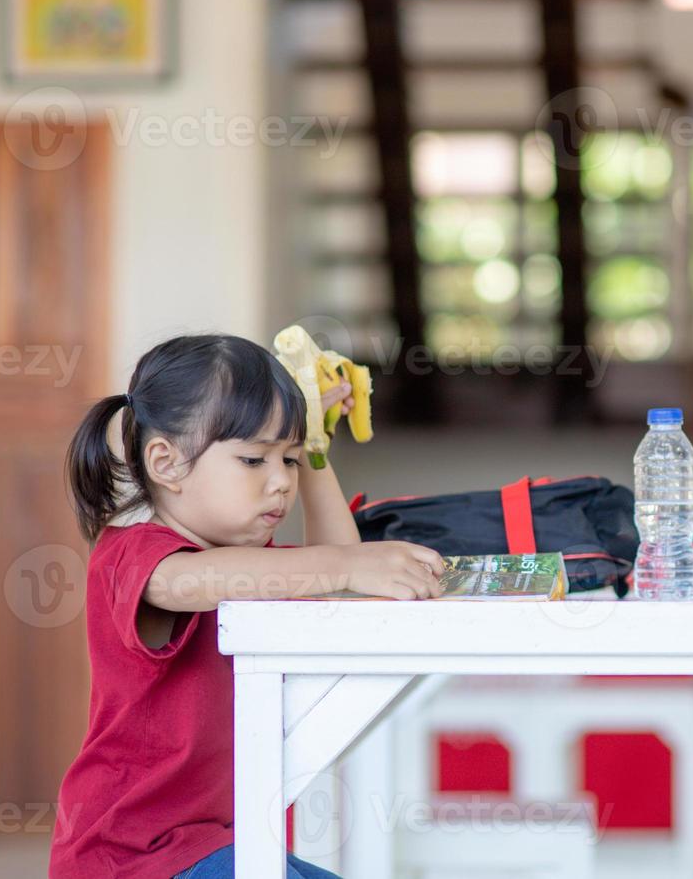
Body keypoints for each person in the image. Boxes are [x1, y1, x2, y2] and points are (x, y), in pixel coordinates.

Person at [49, 334, 444, 879]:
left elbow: (341, 578)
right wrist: (346, 566)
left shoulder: (252, 565)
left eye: (290, 459)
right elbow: (195, 582)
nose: (281, 480)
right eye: (254, 459)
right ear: (166, 462)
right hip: (133, 857)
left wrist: (318, 448)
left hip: (216, 845)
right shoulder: (134, 555)